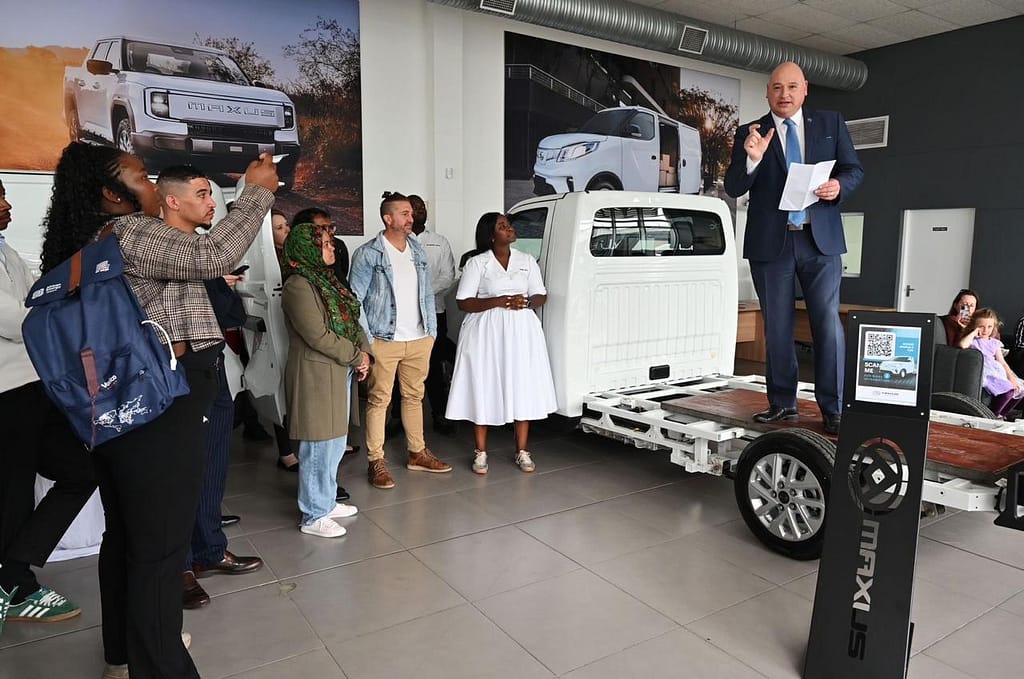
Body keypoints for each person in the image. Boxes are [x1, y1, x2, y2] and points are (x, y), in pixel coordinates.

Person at [38, 142, 277, 679]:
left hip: (122, 405)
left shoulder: (91, 239)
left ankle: (125, 653)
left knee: (127, 533)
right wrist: (257, 192)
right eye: (141, 177)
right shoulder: (129, 232)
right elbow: (214, 257)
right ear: (110, 193)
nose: (149, 185)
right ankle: (163, 664)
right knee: (162, 546)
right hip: (162, 401)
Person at [724, 61, 864, 435]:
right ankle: (783, 404)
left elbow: (854, 170)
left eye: (791, 87)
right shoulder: (750, 132)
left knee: (827, 324)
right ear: (767, 92)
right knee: (779, 327)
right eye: (775, 88)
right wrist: (752, 160)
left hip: (820, 241)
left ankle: (834, 408)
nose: (783, 95)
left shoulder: (830, 123)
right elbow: (734, 186)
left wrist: (838, 188)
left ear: (804, 90)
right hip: (773, 243)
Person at [154, 166, 264, 612]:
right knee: (176, 475)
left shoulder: (202, 249)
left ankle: (209, 548)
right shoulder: (159, 246)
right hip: (174, 372)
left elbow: (225, 307)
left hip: (211, 364)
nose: (211, 202)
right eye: (202, 194)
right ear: (172, 201)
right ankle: (177, 565)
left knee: (212, 464)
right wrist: (256, 194)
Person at [0, 178, 96, 636]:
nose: (7, 204)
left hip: (33, 387)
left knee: (82, 469)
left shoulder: (6, 253)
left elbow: (40, 294)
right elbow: (21, 321)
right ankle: (15, 585)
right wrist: (43, 309)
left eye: (4, 193)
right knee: (13, 494)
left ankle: (12, 570)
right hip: (5, 395)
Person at [349, 191, 452, 490]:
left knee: (414, 397)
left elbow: (426, 292)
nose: (412, 218)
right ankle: (376, 460)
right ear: (388, 218)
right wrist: (368, 342)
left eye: (412, 214)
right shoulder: (369, 253)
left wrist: (431, 332)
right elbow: (355, 300)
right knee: (380, 400)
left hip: (419, 338)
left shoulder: (417, 250)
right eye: (405, 213)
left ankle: (417, 453)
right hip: (384, 338)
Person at [446, 213, 557, 474]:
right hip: (485, 332)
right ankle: (481, 452)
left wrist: (527, 303)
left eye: (509, 225)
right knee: (484, 383)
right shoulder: (477, 263)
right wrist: (499, 301)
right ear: (491, 234)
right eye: (502, 226)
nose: (509, 229)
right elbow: (464, 302)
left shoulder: (526, 261)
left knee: (521, 384)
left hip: (521, 331)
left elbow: (540, 294)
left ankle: (522, 450)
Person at [281, 222, 370, 537]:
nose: (333, 248)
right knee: (318, 443)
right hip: (316, 372)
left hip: (338, 368)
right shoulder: (298, 285)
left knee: (334, 442)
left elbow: (352, 321)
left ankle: (326, 501)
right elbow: (316, 334)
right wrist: (355, 356)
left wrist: (364, 352)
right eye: (327, 244)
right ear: (308, 248)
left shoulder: (328, 281)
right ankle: (313, 515)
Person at [390, 194, 458, 435]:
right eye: (413, 207)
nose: (420, 210)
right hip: (401, 316)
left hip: (433, 313)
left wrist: (422, 294)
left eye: (422, 207)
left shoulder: (439, 242)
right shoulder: (393, 242)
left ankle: (438, 413)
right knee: (400, 366)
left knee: (434, 365)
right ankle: (397, 416)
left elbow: (447, 276)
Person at [958, 308, 1023, 418]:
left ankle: (1002, 415)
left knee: (1020, 390)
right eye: (981, 327)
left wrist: (1011, 378)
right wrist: (973, 332)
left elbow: (1002, 362)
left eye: (989, 327)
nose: (985, 330)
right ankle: (993, 415)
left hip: (997, 371)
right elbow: (962, 345)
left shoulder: (995, 343)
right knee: (1008, 392)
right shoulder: (974, 341)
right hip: (985, 372)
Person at [293, 207, 350, 284]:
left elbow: (342, 278)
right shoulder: (298, 280)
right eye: (324, 227)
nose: (331, 232)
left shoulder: (338, 245)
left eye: (331, 227)